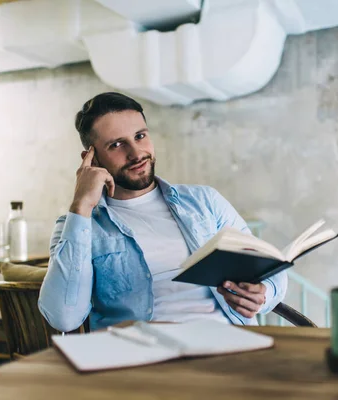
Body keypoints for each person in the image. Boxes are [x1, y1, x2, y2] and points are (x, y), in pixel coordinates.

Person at [38, 92, 287, 332]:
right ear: (91, 159)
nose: (136, 154)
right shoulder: (79, 225)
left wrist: (263, 293)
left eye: (140, 136)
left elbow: (267, 268)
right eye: (116, 145)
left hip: (229, 346)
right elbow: (64, 318)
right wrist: (81, 206)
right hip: (142, 358)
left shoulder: (205, 202)